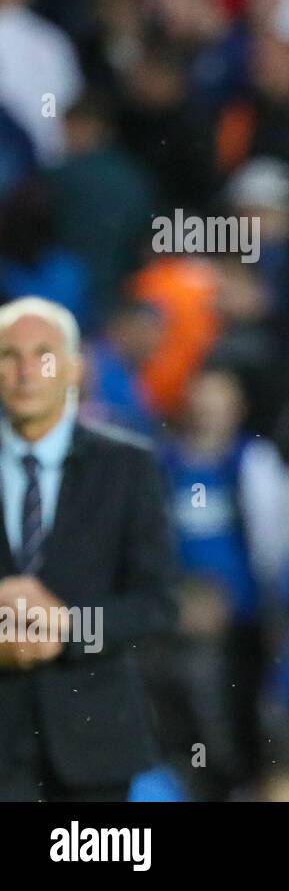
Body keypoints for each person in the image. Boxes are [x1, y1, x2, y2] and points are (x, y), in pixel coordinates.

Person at [0, 296, 177, 800]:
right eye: (9, 355)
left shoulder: (128, 467)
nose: (26, 372)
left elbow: (157, 606)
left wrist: (72, 629)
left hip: (95, 747)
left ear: (76, 368)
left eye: (44, 355)